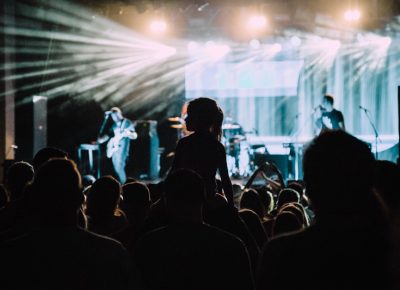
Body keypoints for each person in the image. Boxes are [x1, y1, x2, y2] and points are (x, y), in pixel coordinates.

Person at [171, 97, 233, 205]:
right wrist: (232, 206)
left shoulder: (184, 144)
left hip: (186, 201)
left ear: (199, 118)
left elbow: (173, 174)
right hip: (209, 203)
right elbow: (226, 181)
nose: (185, 119)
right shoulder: (217, 146)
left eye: (189, 115)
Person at [97, 107, 137, 184]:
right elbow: (109, 135)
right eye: (112, 116)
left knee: (119, 167)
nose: (114, 118)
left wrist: (129, 133)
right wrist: (101, 140)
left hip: (122, 149)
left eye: (115, 115)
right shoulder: (114, 125)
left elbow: (134, 135)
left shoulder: (127, 123)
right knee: (116, 168)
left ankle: (125, 185)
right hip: (114, 149)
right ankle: (121, 185)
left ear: (119, 114)